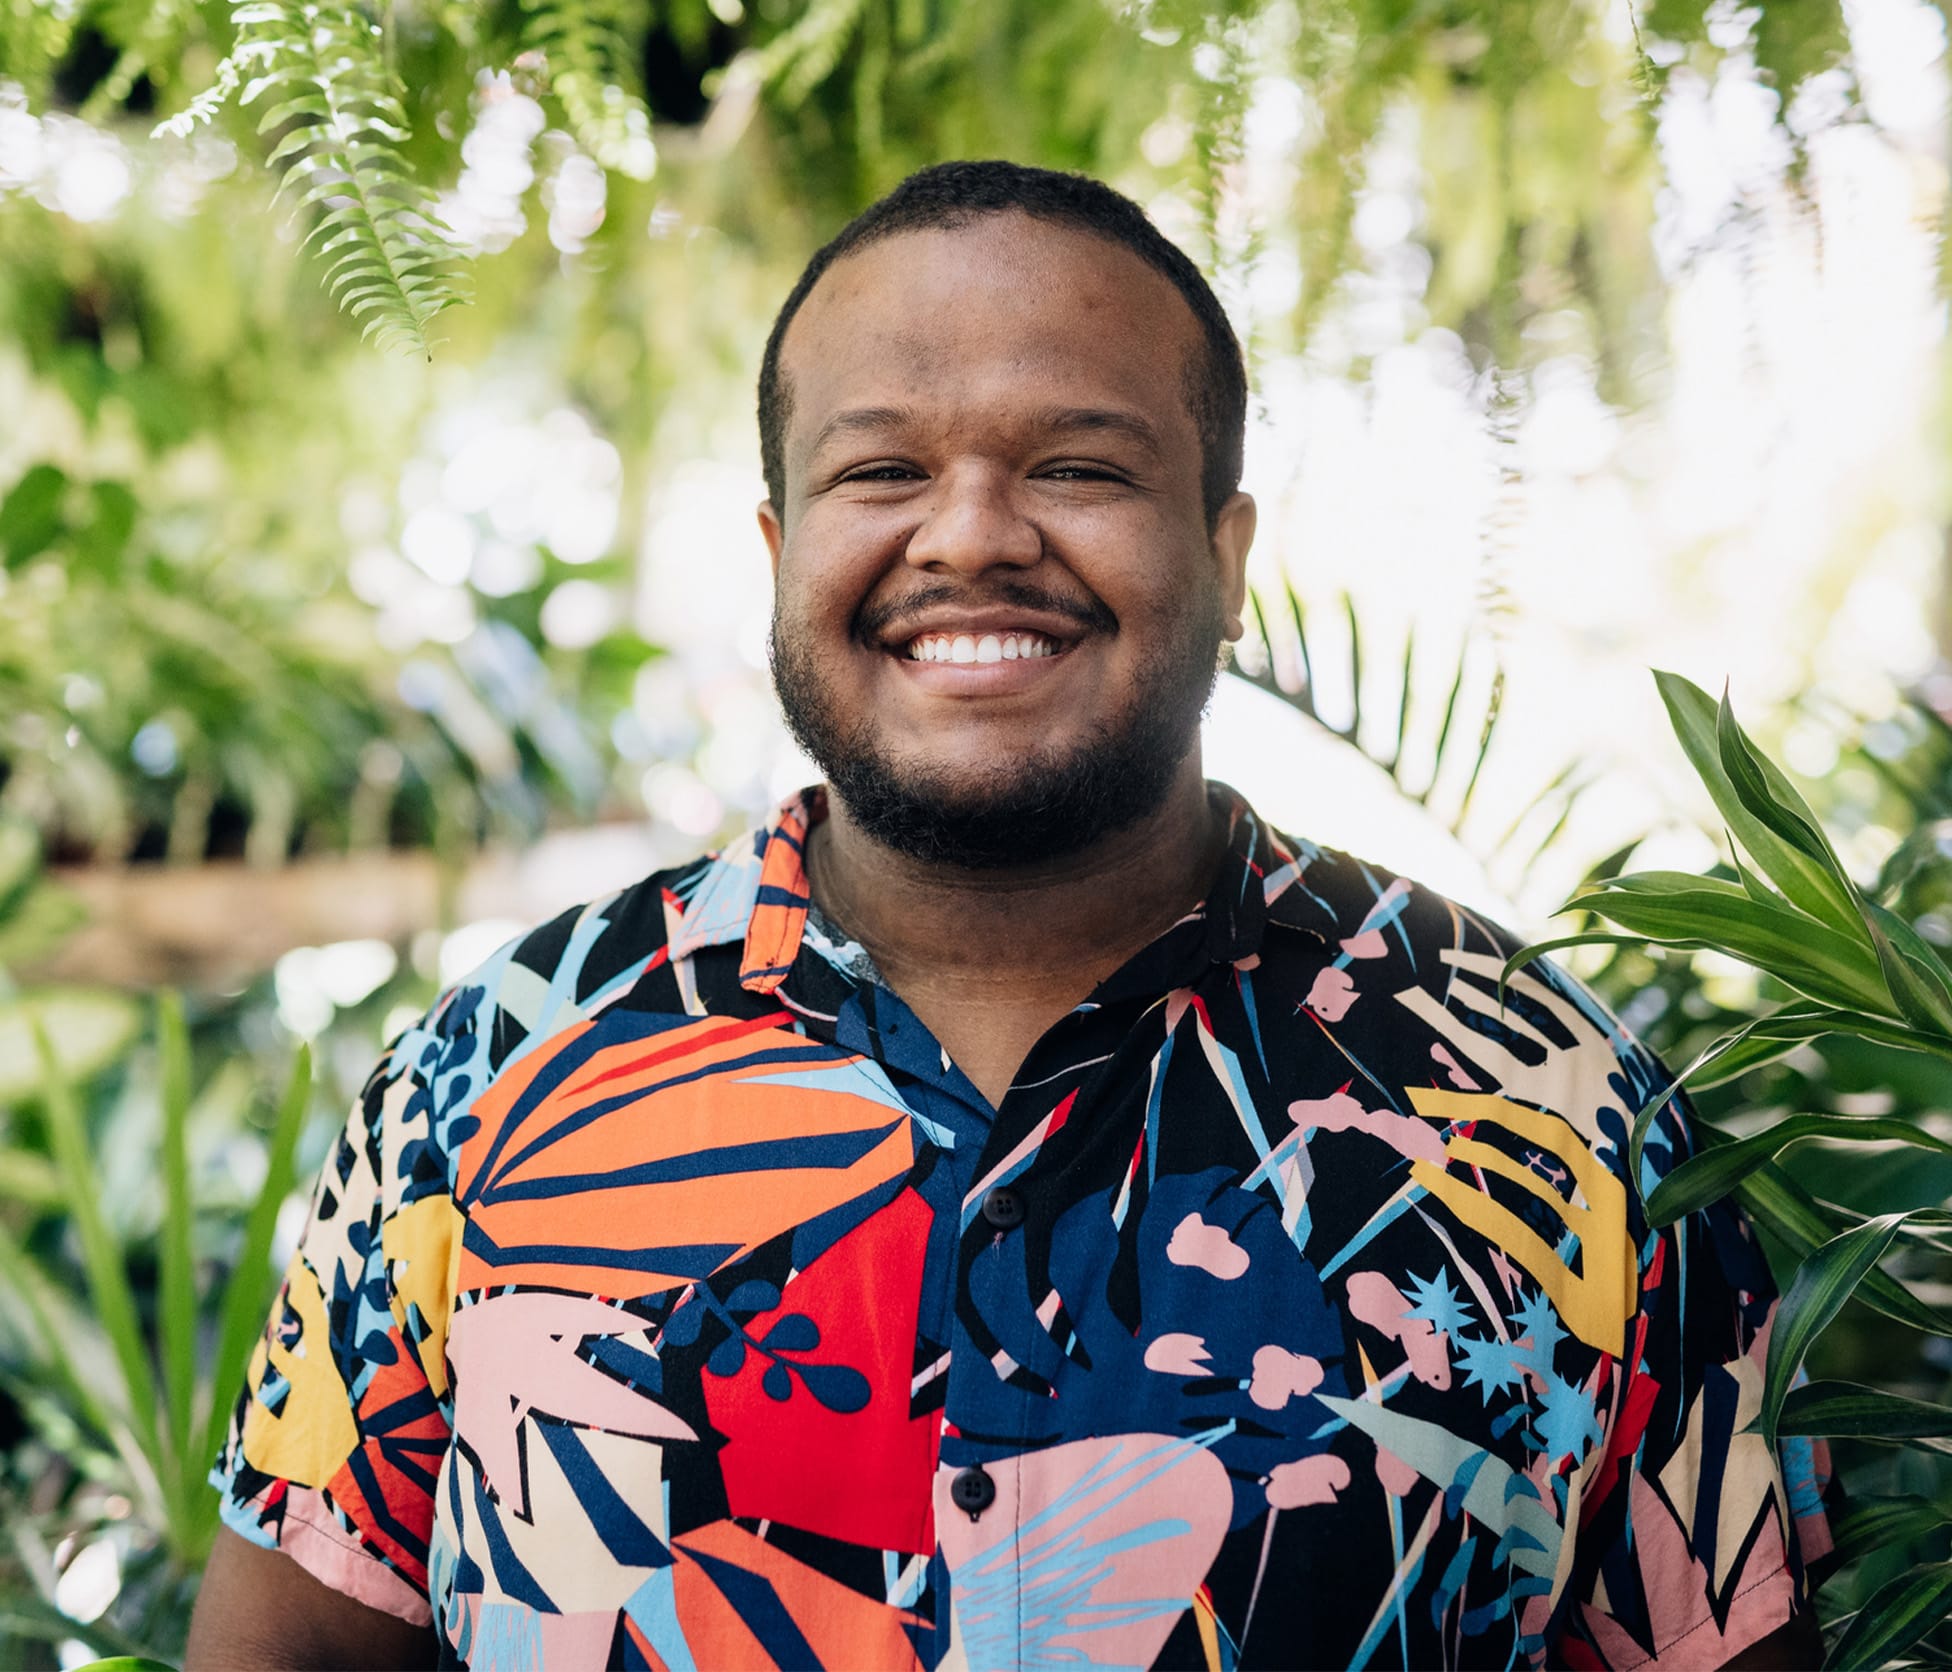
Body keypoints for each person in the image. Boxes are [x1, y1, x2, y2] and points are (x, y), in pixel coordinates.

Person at [186, 160, 1832, 1670]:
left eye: (1077, 464)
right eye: (882, 467)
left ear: (1223, 546)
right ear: (779, 548)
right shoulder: (491, 1085)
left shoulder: (1550, 1109)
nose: (970, 534)